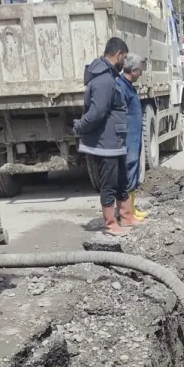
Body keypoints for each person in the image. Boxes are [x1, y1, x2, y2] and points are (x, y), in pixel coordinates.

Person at [73, 37, 141, 236]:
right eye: (125, 57)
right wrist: (80, 127)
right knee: (109, 184)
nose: (125, 62)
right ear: (118, 55)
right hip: (106, 144)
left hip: (115, 142)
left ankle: (126, 217)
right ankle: (111, 224)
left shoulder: (109, 77)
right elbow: (97, 113)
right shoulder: (104, 80)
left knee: (122, 180)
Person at [116, 53, 148, 221]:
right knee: (128, 172)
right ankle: (126, 213)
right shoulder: (122, 87)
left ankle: (132, 209)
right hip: (128, 138)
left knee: (134, 170)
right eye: (140, 71)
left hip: (134, 136)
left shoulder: (128, 86)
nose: (141, 74)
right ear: (134, 71)